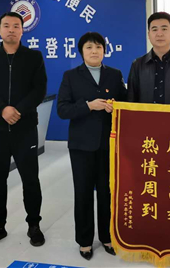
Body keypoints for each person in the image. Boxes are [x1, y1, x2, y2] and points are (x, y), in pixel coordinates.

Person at [0, 12, 47, 249]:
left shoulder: (34, 57)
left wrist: (18, 111)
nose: (11, 30)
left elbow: (39, 90)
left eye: (16, 26)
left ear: (22, 30)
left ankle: (34, 225)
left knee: (30, 178)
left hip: (24, 129)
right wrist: (2, 109)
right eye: (6, 26)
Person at [57, 32, 127, 261]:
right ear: (81, 51)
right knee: (83, 193)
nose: (94, 51)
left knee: (107, 192)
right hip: (81, 145)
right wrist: (88, 106)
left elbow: (126, 103)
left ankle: (107, 237)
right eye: (89, 47)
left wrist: (116, 106)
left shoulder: (115, 75)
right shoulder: (71, 76)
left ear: (104, 51)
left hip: (109, 144)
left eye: (98, 47)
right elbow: (62, 110)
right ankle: (85, 241)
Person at [127, 11, 170, 106]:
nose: (159, 34)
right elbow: (130, 101)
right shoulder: (137, 65)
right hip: (145, 116)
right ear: (148, 35)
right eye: (154, 29)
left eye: (164, 29)